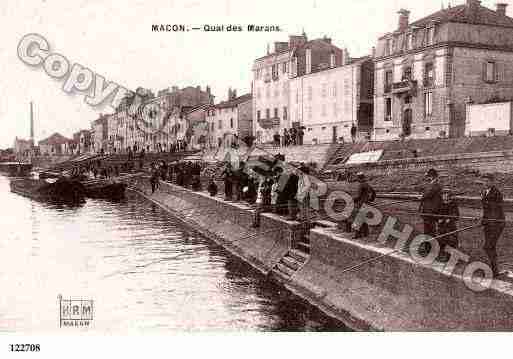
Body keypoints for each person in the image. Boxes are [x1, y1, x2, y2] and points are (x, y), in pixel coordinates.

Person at [481, 174, 505, 276]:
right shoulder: (485, 192)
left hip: (496, 224)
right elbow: (486, 210)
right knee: (490, 247)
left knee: (488, 246)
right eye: (484, 181)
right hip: (488, 224)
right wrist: (483, 220)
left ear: (492, 182)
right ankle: (495, 270)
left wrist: (488, 221)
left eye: (487, 181)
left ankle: (494, 270)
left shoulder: (496, 193)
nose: (485, 183)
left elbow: (494, 211)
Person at [419, 168, 442, 239]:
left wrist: (421, 196)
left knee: (430, 230)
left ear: (432, 176)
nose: (428, 178)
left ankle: (430, 245)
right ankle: (428, 245)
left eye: (429, 176)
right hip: (428, 210)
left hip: (431, 211)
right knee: (428, 229)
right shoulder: (431, 184)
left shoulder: (435, 185)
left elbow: (428, 194)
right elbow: (426, 192)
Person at [351, 172, 375, 239]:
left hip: (361, 204)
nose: (357, 179)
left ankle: (357, 235)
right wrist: (371, 199)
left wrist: (352, 200)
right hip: (366, 204)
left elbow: (358, 196)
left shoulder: (361, 185)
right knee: (363, 218)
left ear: (359, 178)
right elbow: (373, 192)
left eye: (357, 178)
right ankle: (365, 233)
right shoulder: (367, 184)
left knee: (358, 219)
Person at [437, 190, 460, 261]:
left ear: (449, 196)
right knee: (441, 240)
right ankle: (441, 255)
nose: (444, 196)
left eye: (446, 194)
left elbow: (456, 215)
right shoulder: (440, 204)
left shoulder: (453, 204)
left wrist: (450, 218)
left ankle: (449, 257)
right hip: (441, 226)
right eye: (443, 194)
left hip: (450, 226)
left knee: (450, 241)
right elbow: (437, 213)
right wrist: (439, 218)